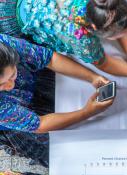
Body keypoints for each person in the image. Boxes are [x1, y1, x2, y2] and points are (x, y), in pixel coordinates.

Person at [0, 33, 114, 166]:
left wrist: (92, 77)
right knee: (68, 155)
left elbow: (49, 59)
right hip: (15, 119)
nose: (11, 86)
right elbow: (39, 124)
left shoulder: (4, 46)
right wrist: (87, 112)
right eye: (1, 85)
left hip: (33, 80)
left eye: (13, 74)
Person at [0, 0, 127, 86]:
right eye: (120, 35)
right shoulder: (81, 40)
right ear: (95, 29)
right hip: (12, 21)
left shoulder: (103, 5)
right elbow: (104, 64)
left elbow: (114, 17)